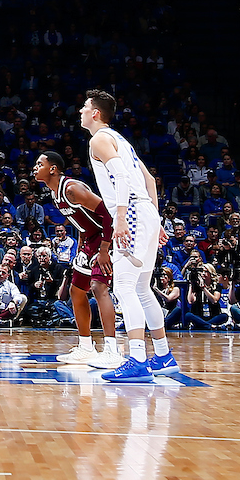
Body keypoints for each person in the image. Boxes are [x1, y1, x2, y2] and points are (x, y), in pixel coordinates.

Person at [82, 90, 177, 382]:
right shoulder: (121, 140)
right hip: (145, 211)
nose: (81, 111)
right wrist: (156, 220)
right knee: (141, 288)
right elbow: (149, 180)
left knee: (123, 286)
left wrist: (121, 218)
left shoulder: (98, 139)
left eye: (85, 107)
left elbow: (122, 177)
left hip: (132, 213)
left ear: (96, 113)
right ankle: (163, 355)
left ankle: (136, 359)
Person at [33, 151, 122, 369]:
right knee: (76, 290)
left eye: (39, 164)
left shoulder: (72, 189)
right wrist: (82, 245)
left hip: (107, 237)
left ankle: (112, 350)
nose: (34, 168)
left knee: (99, 287)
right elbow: (82, 220)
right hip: (90, 239)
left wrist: (103, 250)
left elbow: (109, 215)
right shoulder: (55, 193)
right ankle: (86, 347)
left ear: (52, 169)